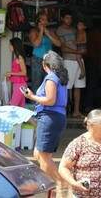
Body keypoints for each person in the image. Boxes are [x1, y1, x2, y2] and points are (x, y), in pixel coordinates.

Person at [22, 50, 68, 187]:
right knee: (39, 154)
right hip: (54, 117)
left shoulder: (51, 78)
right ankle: (52, 183)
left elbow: (50, 100)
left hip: (50, 117)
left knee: (43, 156)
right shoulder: (59, 77)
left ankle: (58, 183)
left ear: (45, 65)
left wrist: (31, 97)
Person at [56, 9, 85, 118]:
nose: (69, 20)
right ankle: (64, 110)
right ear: (62, 18)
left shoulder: (74, 30)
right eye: (67, 18)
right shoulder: (59, 30)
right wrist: (77, 51)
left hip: (79, 60)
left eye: (70, 18)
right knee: (66, 87)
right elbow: (62, 48)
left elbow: (81, 44)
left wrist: (79, 52)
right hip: (68, 60)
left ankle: (76, 111)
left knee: (78, 86)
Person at [28, 11, 61, 92]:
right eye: (43, 19)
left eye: (46, 20)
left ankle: (46, 103)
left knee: (49, 83)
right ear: (38, 21)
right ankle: (35, 103)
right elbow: (36, 44)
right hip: (37, 60)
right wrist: (41, 31)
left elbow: (59, 44)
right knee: (37, 84)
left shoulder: (50, 31)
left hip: (49, 61)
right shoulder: (33, 31)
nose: (45, 21)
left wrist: (48, 34)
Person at [5, 38, 27, 107]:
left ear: (14, 46)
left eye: (10, 45)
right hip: (21, 85)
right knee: (20, 108)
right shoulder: (17, 57)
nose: (9, 46)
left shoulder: (19, 58)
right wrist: (10, 76)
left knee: (12, 106)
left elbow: (24, 72)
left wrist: (11, 73)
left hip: (20, 86)